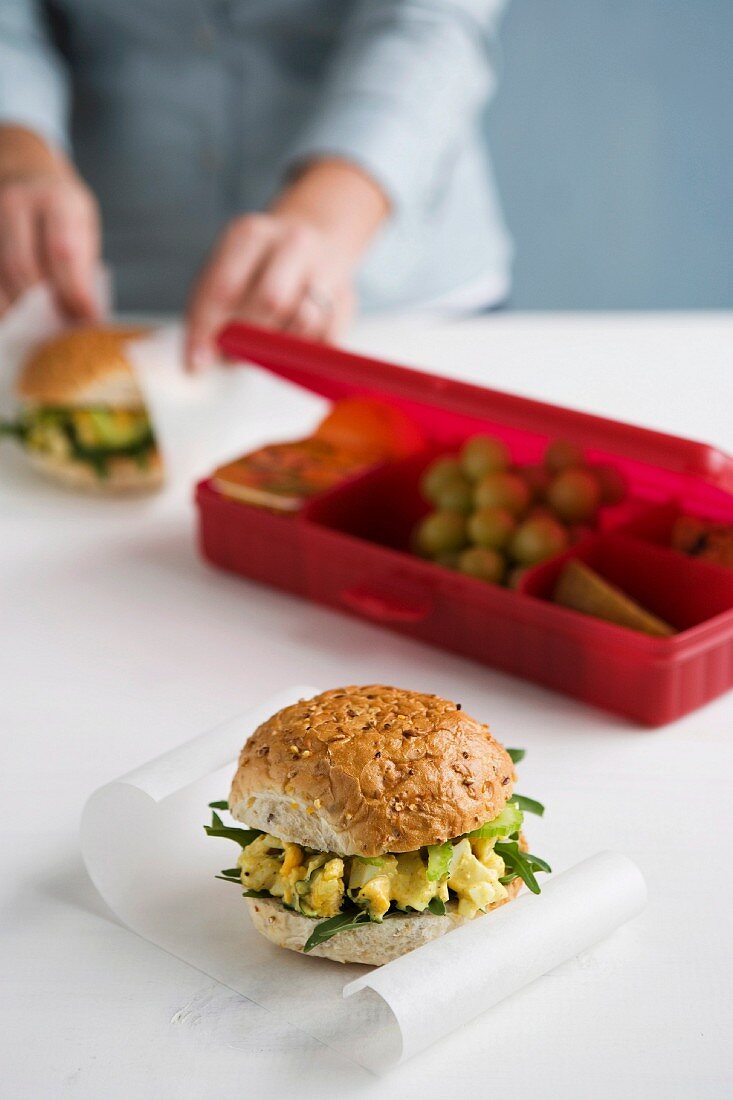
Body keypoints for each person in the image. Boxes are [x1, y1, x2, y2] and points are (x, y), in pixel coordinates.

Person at [0, 1, 511, 365]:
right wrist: (16, 150)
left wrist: (327, 216)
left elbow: (433, 21)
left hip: (400, 307)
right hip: (102, 314)